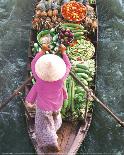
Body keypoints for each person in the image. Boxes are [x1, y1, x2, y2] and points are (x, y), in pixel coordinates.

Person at [25, 44, 71, 153]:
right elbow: (68, 66)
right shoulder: (61, 78)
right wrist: (63, 52)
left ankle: (52, 142)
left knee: (43, 126)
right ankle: (54, 131)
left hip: (43, 108)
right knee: (55, 117)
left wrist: (42, 51)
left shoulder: (39, 78)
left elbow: (33, 64)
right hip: (57, 104)